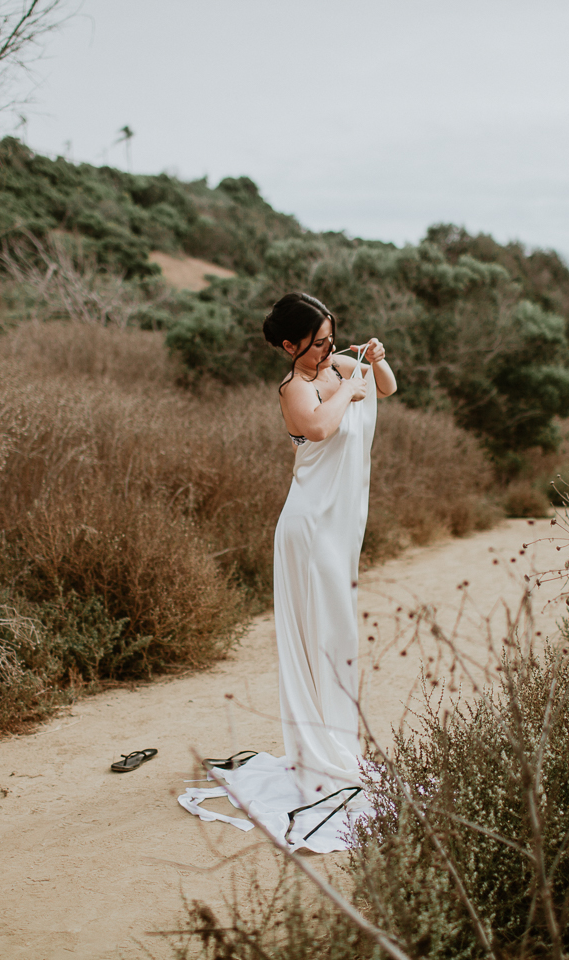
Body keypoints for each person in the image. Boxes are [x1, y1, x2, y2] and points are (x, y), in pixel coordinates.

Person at [178, 292, 397, 853]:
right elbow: (320, 429)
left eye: (331, 337)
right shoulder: (294, 389)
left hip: (339, 527)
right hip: (306, 529)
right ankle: (315, 756)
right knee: (317, 635)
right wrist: (349, 383)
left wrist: (373, 359)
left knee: (340, 634)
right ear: (288, 344)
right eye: (317, 342)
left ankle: (338, 745)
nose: (328, 349)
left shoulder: (342, 366)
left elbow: (388, 388)